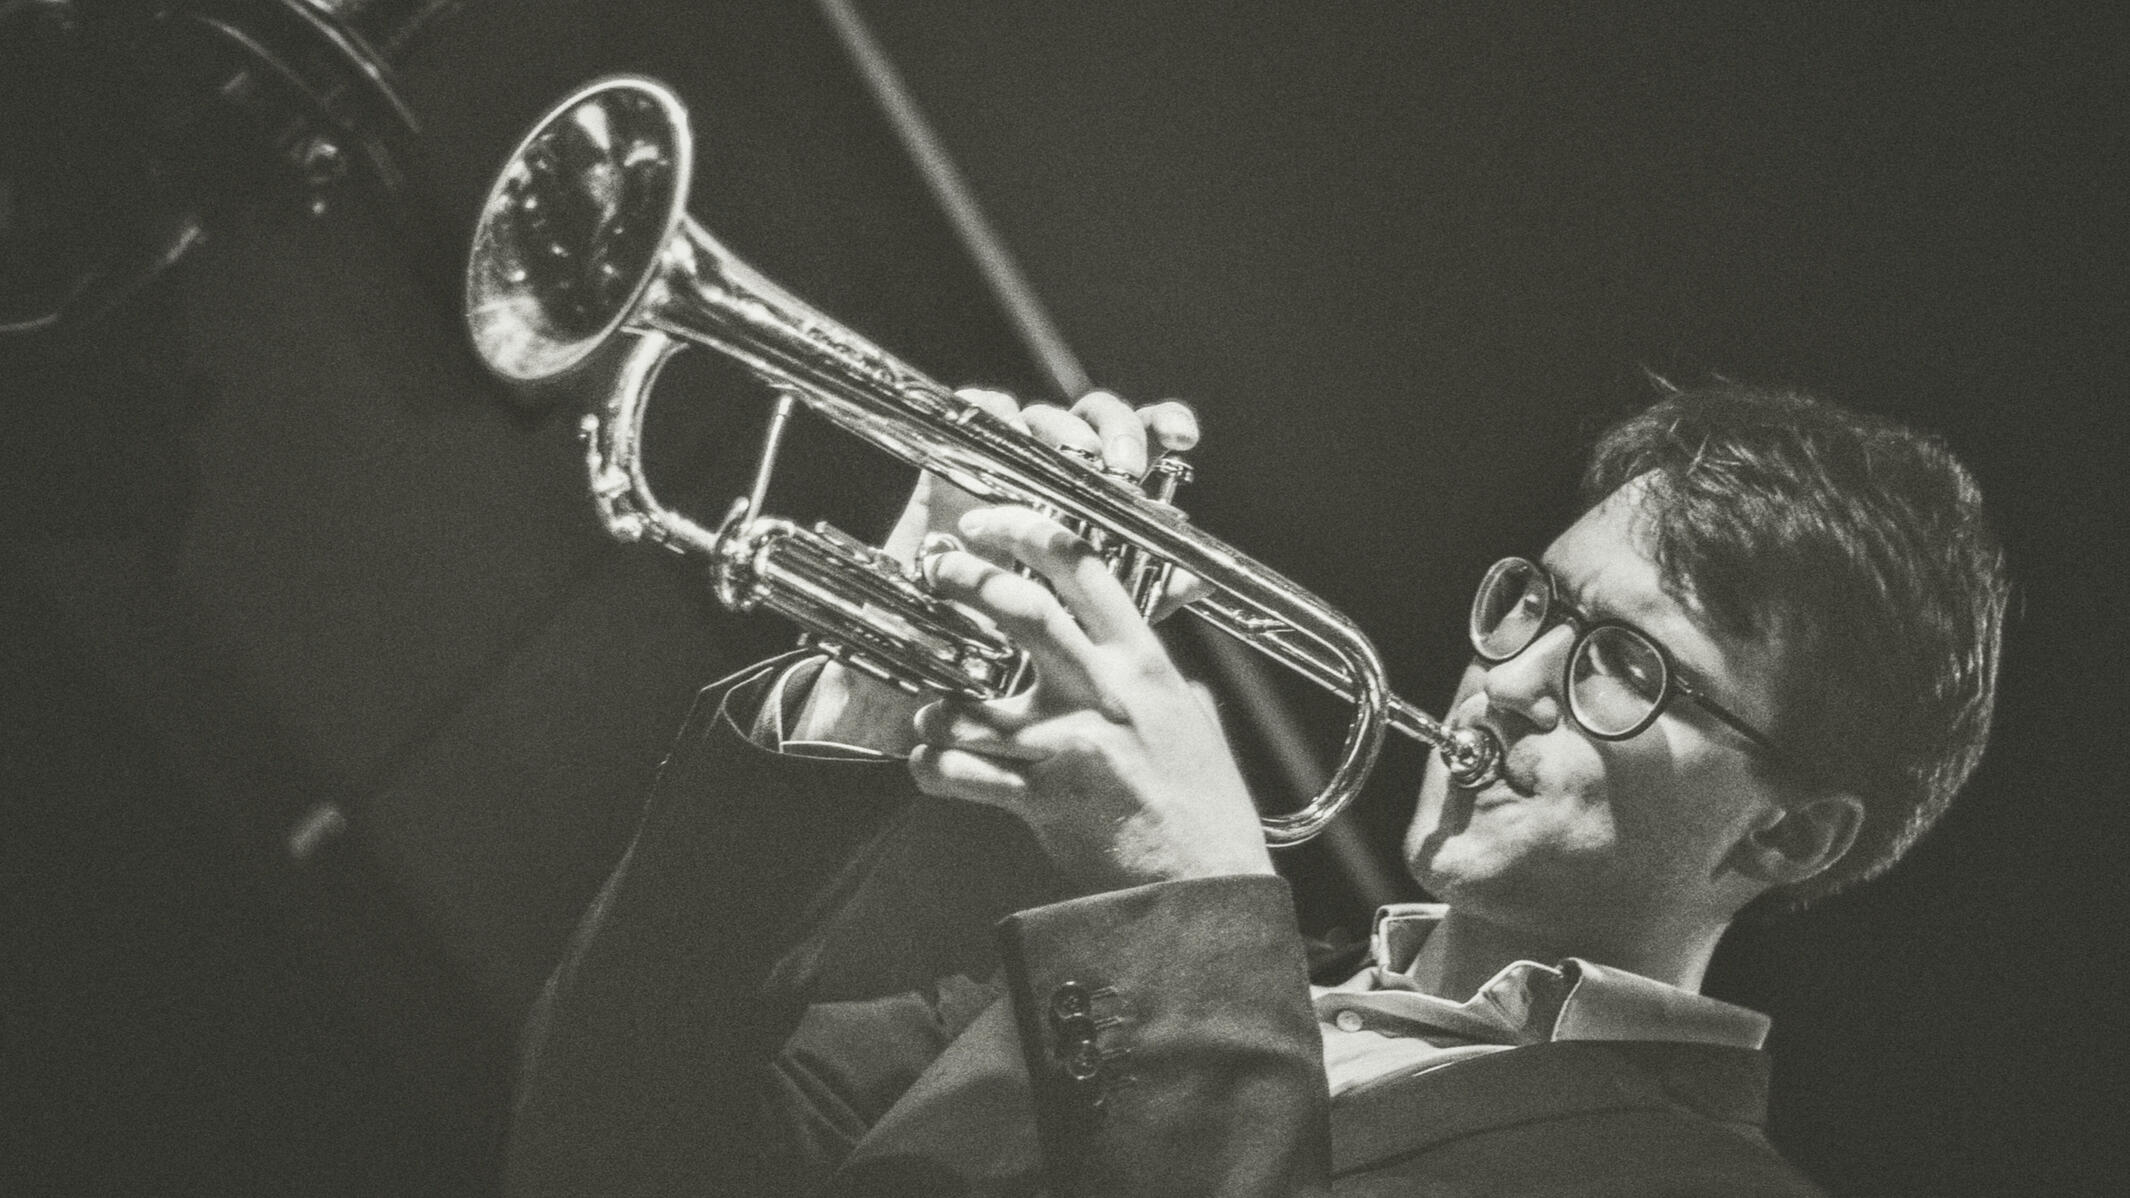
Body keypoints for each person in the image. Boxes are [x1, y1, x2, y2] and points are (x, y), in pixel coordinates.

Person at [505, 381, 2007, 1197]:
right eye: (1533, 606)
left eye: (1623, 662)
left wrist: (1183, 904)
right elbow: (607, 1144)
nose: (1508, 678)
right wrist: (865, 690)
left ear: (1790, 830)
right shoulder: (1160, 997)